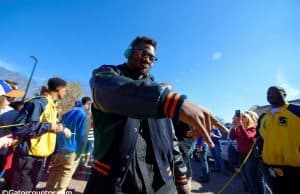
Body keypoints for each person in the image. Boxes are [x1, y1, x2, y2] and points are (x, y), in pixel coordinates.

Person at [84, 36, 224, 194]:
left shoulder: (158, 90)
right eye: (142, 53)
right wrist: (172, 102)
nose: (147, 60)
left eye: (152, 57)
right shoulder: (107, 75)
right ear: (129, 52)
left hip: (162, 183)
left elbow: (171, 139)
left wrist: (181, 176)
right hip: (114, 180)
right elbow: (106, 89)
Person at [10, 77, 71, 190]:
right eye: (65, 90)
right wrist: (49, 126)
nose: (65, 92)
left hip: (40, 157)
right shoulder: (39, 102)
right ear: (58, 89)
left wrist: (60, 127)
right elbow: (19, 128)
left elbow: (45, 126)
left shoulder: (52, 106)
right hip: (27, 156)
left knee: (30, 188)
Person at [257, 86, 300, 194]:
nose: (270, 95)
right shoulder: (263, 116)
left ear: (285, 94)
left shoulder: (296, 110)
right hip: (271, 167)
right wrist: (260, 155)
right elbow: (259, 138)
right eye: (268, 93)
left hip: (295, 167)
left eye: (274, 92)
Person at [46, 96, 92, 193]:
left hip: (62, 147)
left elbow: (60, 127)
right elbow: (83, 136)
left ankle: (48, 190)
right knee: (66, 173)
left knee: (55, 170)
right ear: (88, 104)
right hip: (73, 149)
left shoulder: (69, 112)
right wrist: (81, 152)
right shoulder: (85, 115)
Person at [229, 110, 265, 194]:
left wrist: (240, 125)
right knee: (245, 177)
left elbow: (247, 136)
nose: (241, 118)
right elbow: (231, 136)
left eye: (244, 117)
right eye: (241, 117)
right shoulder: (239, 129)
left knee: (252, 177)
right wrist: (234, 125)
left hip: (250, 156)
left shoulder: (252, 128)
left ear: (249, 119)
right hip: (241, 155)